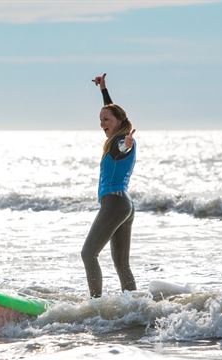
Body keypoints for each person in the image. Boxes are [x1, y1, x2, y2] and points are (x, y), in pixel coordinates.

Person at [81, 73, 137, 298]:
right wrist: (103, 90)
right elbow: (112, 111)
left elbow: (122, 148)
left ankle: (94, 304)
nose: (102, 123)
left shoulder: (120, 142)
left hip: (114, 204)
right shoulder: (116, 135)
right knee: (121, 264)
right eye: (101, 119)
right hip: (124, 205)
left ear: (120, 122)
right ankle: (134, 307)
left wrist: (127, 144)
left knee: (88, 254)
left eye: (107, 120)